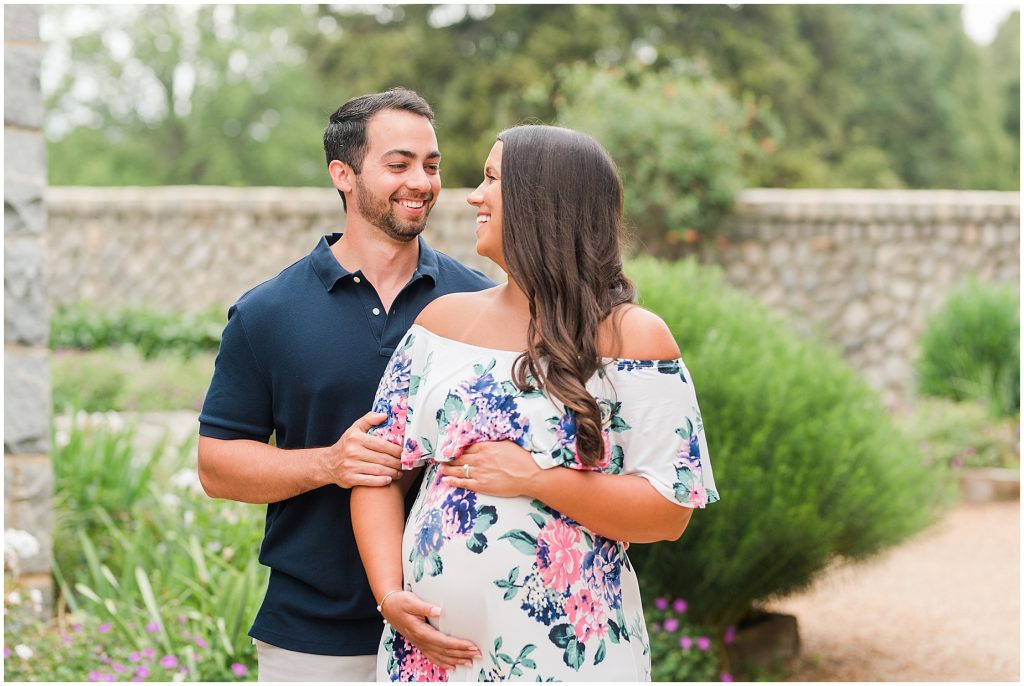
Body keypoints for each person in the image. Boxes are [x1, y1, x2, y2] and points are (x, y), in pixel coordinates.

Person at [351, 125, 719, 681]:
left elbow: (669, 511)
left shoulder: (634, 340)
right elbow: (376, 470)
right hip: (433, 657)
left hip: (570, 658)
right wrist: (389, 595)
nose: (474, 194)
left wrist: (537, 479)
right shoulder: (439, 326)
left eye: (492, 178)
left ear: (541, 201)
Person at [196, 88, 494, 682]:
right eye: (399, 164)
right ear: (344, 175)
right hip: (316, 637)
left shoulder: (480, 302)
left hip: (460, 631)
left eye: (431, 166)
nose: (422, 181)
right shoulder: (267, 313)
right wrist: (328, 464)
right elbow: (216, 465)